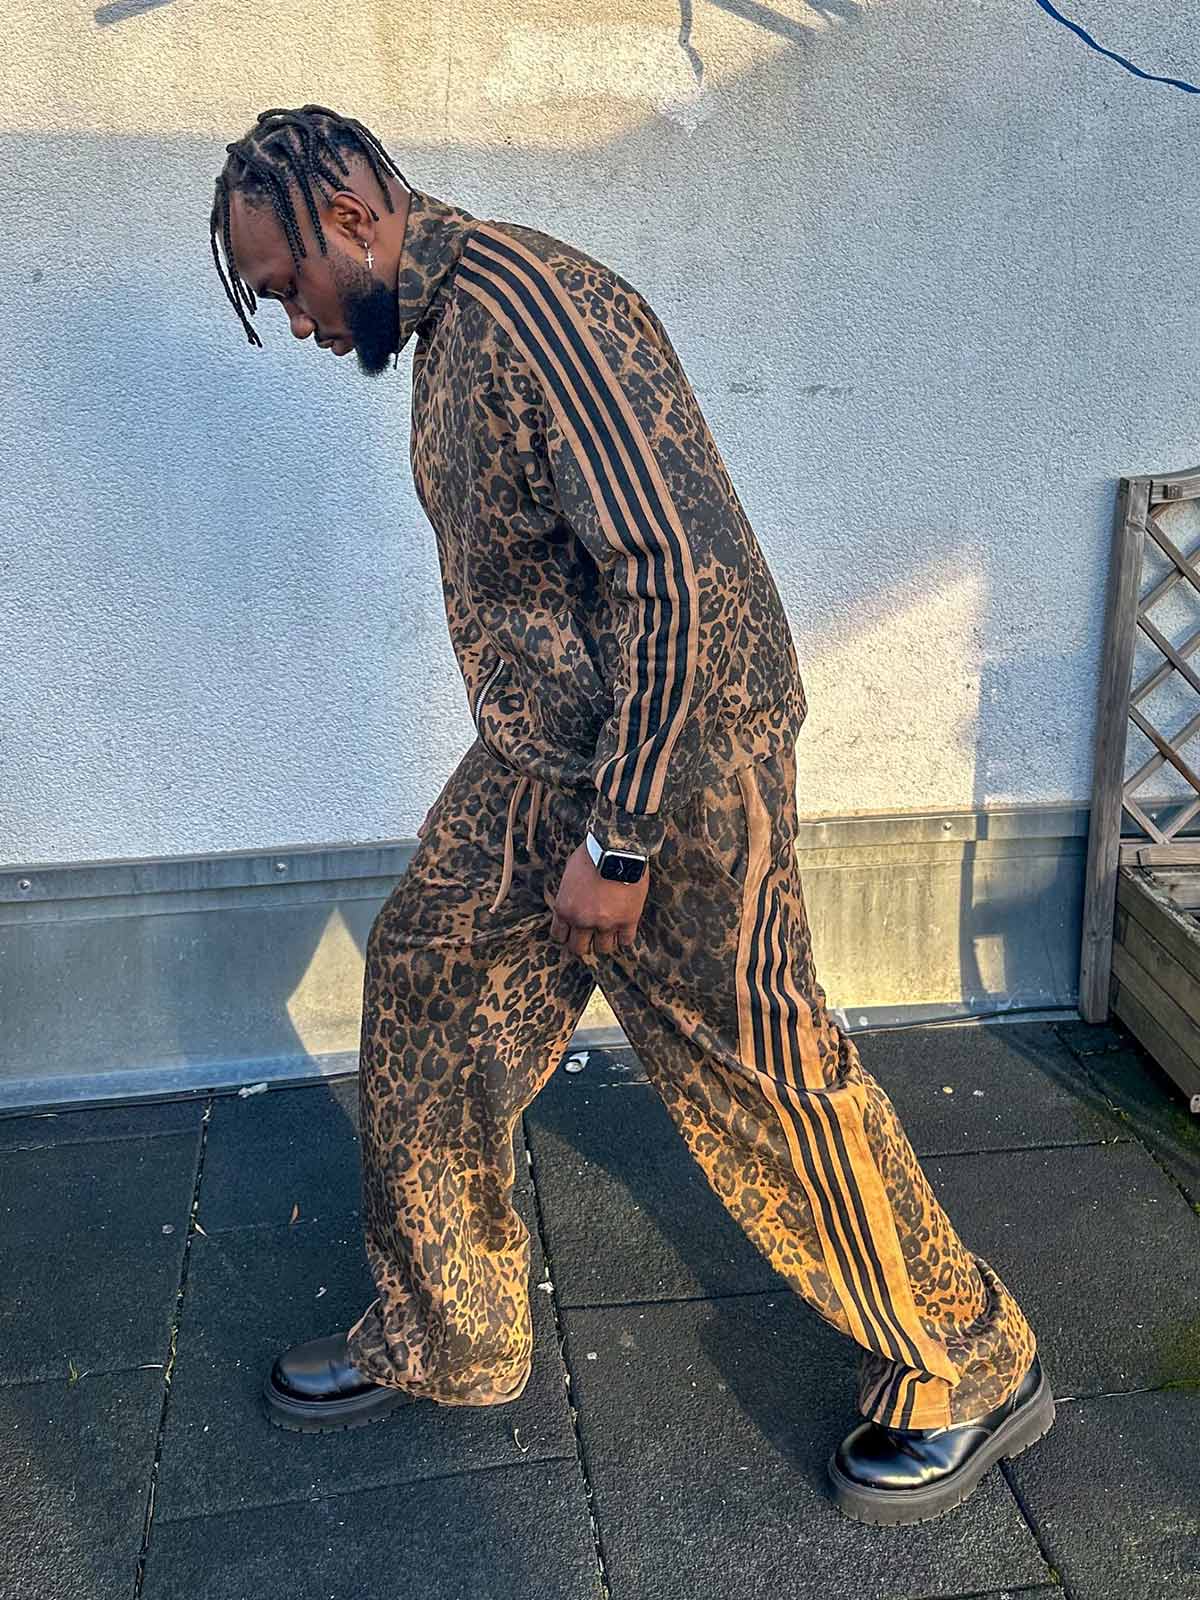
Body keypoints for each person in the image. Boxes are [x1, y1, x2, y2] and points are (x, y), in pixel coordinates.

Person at [208, 104, 1054, 1526]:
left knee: (758, 1066)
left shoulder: (534, 309)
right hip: (542, 756)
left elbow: (671, 577)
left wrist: (623, 839)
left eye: (288, 284)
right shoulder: (445, 327)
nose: (295, 322)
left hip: (684, 758)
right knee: (426, 977)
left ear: (351, 218)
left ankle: (970, 1363)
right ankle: (451, 1332)